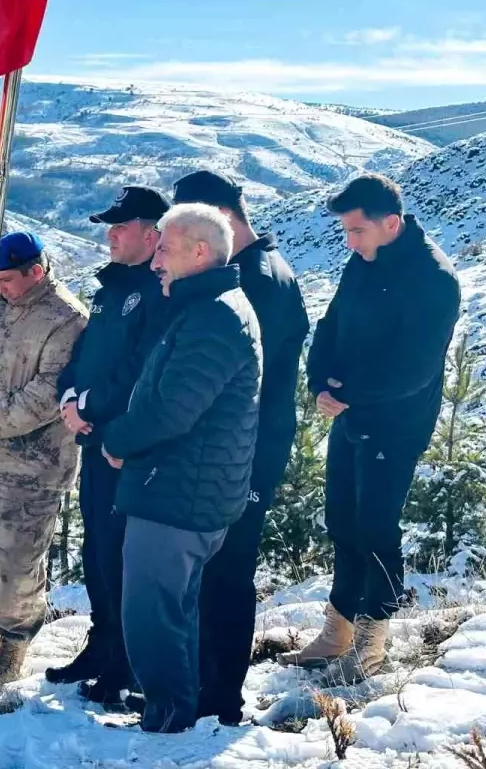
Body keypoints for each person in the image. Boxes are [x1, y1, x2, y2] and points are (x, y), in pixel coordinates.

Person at [279, 174, 460, 685]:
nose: (348, 242)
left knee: (376, 525)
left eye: (356, 231)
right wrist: (319, 382)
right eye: (346, 231)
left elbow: (414, 369)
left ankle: (371, 643)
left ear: (392, 224)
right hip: (350, 412)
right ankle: (336, 632)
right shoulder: (361, 262)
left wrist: (346, 392)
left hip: (396, 423)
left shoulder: (434, 278)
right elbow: (331, 326)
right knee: (342, 517)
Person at [101, 204, 263, 734]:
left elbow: (173, 409)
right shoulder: (209, 307)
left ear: (199, 252)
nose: (155, 263)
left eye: (165, 249)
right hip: (185, 486)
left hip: (177, 492)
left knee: (153, 611)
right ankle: (171, 709)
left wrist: (118, 439)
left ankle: (166, 720)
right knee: (173, 609)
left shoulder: (215, 316)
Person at [171, 171, 310, 726]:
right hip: (249, 445)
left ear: (220, 218)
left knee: (227, 570)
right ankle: (209, 684)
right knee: (220, 567)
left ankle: (220, 695)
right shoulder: (267, 268)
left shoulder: (254, 281)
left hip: (245, 451)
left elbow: (239, 378)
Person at [45, 185, 170, 707]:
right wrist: (70, 396)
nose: (110, 235)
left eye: (120, 227)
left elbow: (140, 370)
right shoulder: (109, 289)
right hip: (93, 439)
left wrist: (89, 404)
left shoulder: (157, 291)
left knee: (123, 554)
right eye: (109, 227)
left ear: (151, 233)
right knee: (98, 550)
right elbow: (84, 357)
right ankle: (102, 644)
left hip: (126, 442)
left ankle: (127, 661)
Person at [0, 232, 87, 698]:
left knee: (18, 563)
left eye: (6, 279)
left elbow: (49, 392)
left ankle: (13, 650)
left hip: (31, 469)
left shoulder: (65, 318)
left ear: (36, 271)